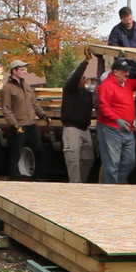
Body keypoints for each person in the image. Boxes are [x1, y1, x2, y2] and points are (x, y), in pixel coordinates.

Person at [96, 57, 136, 184]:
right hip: (111, 129)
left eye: (128, 71)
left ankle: (119, 183)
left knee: (129, 161)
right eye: (124, 71)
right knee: (112, 163)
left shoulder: (127, 83)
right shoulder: (106, 86)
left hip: (127, 129)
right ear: (115, 72)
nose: (128, 74)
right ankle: (113, 190)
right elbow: (103, 107)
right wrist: (117, 119)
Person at [0, 60, 51, 179]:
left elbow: (34, 104)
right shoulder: (7, 88)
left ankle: (39, 176)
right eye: (22, 70)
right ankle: (14, 176)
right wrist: (14, 124)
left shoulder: (26, 86)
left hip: (31, 123)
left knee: (39, 150)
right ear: (14, 71)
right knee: (16, 152)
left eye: (25, 69)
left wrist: (43, 115)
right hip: (19, 125)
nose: (25, 72)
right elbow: (6, 109)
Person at [107, 7, 136, 127]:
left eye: (129, 18)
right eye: (125, 19)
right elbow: (112, 48)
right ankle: (125, 115)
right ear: (121, 19)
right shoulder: (116, 30)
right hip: (124, 67)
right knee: (123, 91)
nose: (128, 22)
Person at [60, 46, 96, 183]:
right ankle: (75, 185)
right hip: (72, 129)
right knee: (73, 159)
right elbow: (75, 77)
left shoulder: (87, 94)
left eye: (85, 78)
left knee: (88, 158)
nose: (84, 80)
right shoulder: (69, 90)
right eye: (82, 78)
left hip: (84, 129)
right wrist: (86, 61)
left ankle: (81, 183)